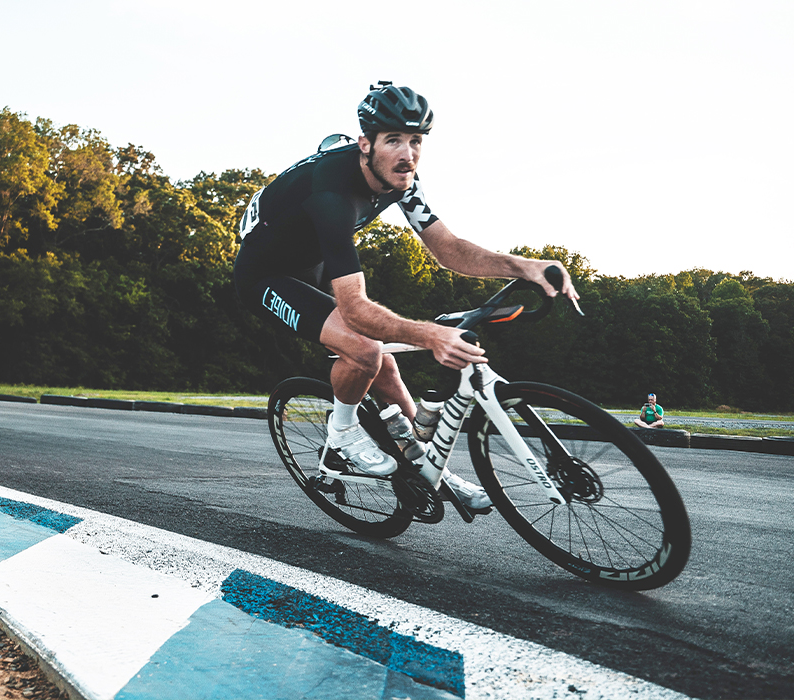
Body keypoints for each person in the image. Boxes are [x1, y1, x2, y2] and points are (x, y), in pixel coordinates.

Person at [233, 82, 580, 510]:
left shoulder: (401, 181)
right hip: (264, 276)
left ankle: (435, 471)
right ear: (366, 145)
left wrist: (524, 266)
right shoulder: (332, 193)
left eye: (416, 141)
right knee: (363, 346)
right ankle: (341, 435)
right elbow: (356, 309)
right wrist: (432, 336)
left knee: (387, 369)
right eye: (394, 140)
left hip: (313, 266)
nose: (408, 154)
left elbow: (447, 249)